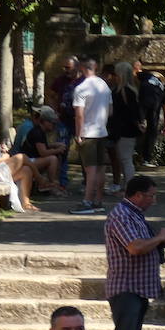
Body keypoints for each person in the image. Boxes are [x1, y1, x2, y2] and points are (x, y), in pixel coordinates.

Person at [104, 175, 165, 330]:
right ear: (138, 195)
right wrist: (159, 237)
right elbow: (135, 247)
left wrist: (162, 242)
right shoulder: (122, 215)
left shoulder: (134, 214)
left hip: (137, 289)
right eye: (151, 196)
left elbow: (144, 244)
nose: (154, 200)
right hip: (126, 289)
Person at [69, 58, 113, 214]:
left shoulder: (81, 88)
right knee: (101, 168)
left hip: (88, 133)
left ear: (82, 68)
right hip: (102, 131)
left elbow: (79, 115)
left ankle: (87, 202)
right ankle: (98, 201)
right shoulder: (104, 86)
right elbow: (110, 110)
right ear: (96, 68)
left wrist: (79, 134)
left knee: (90, 170)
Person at [105, 61, 142, 190]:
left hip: (125, 130)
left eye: (116, 73)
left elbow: (132, 113)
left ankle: (130, 188)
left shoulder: (124, 92)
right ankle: (128, 187)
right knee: (124, 159)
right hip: (123, 130)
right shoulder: (128, 91)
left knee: (125, 160)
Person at [19, 106, 67, 196]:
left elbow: (42, 147)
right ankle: (52, 185)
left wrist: (54, 145)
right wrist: (57, 150)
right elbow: (43, 152)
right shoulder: (37, 132)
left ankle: (53, 183)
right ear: (45, 122)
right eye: (52, 123)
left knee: (54, 157)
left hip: (33, 158)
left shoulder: (41, 131)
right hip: (28, 160)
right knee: (52, 159)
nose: (53, 126)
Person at [134, 60, 165, 167]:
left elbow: (135, 72)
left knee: (137, 125)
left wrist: (137, 67)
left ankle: (134, 150)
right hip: (154, 109)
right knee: (152, 132)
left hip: (142, 105)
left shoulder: (146, 76)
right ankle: (146, 159)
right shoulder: (162, 87)